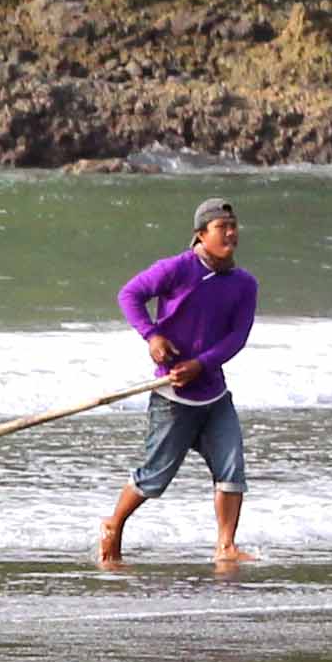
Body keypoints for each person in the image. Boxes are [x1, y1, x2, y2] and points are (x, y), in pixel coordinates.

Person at [104, 198, 260, 567]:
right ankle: (114, 524)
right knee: (154, 477)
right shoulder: (176, 269)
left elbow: (237, 337)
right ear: (201, 234)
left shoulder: (244, 284)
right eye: (222, 227)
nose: (231, 233)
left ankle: (226, 545)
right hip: (173, 396)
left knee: (231, 468)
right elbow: (129, 295)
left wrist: (201, 364)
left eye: (234, 226)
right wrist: (152, 336)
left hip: (214, 395)